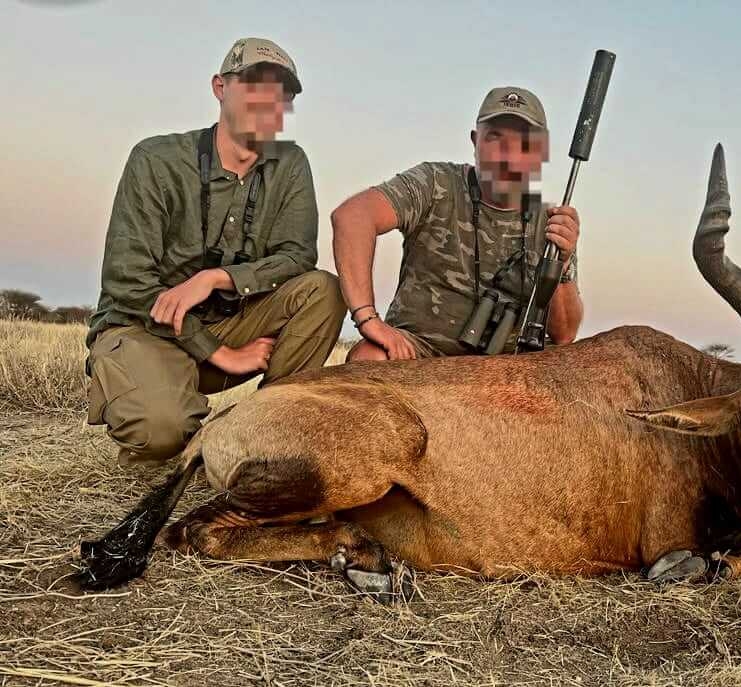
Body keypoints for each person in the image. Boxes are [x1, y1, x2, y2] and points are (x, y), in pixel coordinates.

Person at [86, 37, 345, 467]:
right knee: (160, 433)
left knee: (323, 290)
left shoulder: (291, 163)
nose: (269, 102)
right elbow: (127, 282)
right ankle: (150, 402)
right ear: (220, 87)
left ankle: (270, 431)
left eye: (281, 93)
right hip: (147, 329)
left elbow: (297, 256)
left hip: (229, 320)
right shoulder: (156, 158)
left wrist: (216, 279)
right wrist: (221, 354)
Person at [332, 86, 582, 361]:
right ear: (475, 141)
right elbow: (353, 216)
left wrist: (562, 264)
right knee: (370, 357)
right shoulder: (435, 182)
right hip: (418, 352)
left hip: (508, 363)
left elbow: (564, 335)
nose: (507, 153)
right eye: (495, 137)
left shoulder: (552, 223)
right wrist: (368, 318)